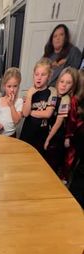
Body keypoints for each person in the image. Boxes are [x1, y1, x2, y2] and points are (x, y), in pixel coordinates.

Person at [43, 67, 79, 174]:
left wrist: (48, 139)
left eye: (68, 83)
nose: (64, 85)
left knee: (50, 167)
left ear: (73, 86)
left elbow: (58, 122)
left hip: (56, 137)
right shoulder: (54, 94)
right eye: (62, 81)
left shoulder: (66, 100)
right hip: (48, 131)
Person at [20, 58, 57, 156]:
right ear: (33, 75)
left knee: (38, 159)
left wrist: (31, 113)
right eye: (36, 74)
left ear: (49, 76)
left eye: (43, 74)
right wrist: (29, 95)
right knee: (23, 156)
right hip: (27, 132)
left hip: (41, 134)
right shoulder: (30, 91)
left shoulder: (52, 92)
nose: (39, 77)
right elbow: (24, 113)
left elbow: (48, 113)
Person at [64, 69, 84, 207]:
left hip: (75, 138)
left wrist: (68, 136)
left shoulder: (73, 101)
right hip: (75, 137)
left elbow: (72, 122)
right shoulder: (73, 101)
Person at [0, 67, 23, 137]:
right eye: (9, 86)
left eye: (15, 86)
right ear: (4, 86)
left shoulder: (19, 101)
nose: (12, 90)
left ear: (19, 86)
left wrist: (11, 105)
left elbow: (16, 121)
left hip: (12, 136)